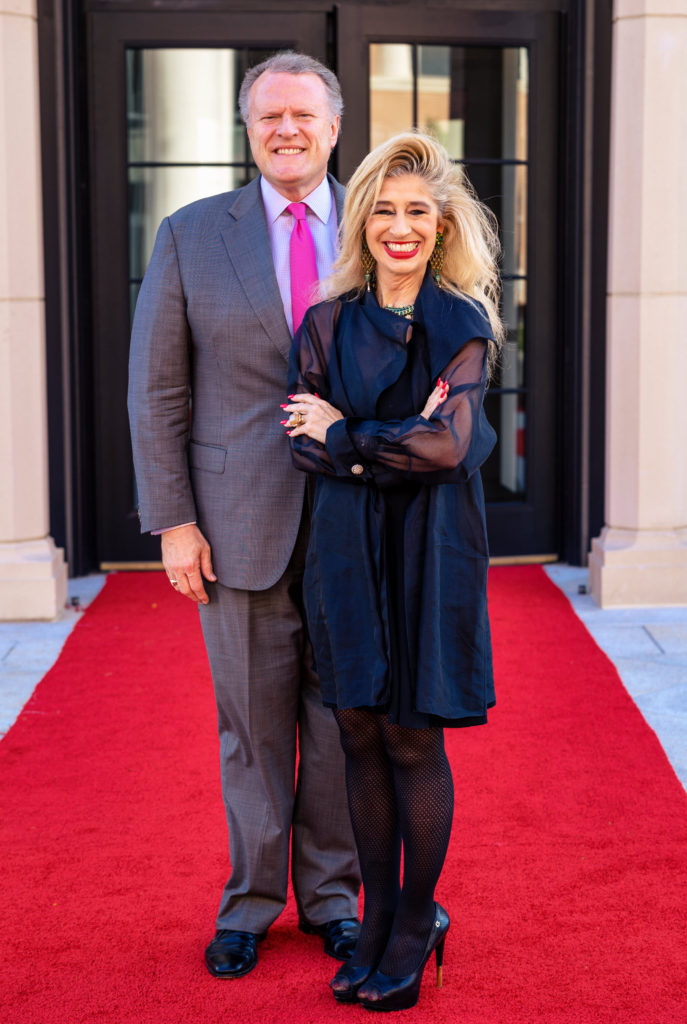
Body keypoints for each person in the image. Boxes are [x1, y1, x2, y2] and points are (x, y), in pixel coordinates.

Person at [127, 51, 360, 981]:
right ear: (248, 128)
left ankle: (335, 900)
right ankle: (252, 904)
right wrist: (173, 521)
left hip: (357, 520)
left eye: (303, 115)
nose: (286, 131)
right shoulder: (190, 234)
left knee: (344, 723)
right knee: (252, 729)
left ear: (334, 127)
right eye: (269, 118)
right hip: (235, 523)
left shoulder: (379, 226)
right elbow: (157, 392)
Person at [283, 131, 503, 1011]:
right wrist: (381, 445)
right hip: (343, 547)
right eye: (382, 211)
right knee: (356, 735)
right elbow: (302, 444)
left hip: (430, 548)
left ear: (441, 224)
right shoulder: (325, 321)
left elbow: (448, 448)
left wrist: (348, 436)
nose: (399, 228)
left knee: (413, 736)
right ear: (361, 223)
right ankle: (372, 924)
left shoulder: (461, 322)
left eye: (416, 211)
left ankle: (415, 923)